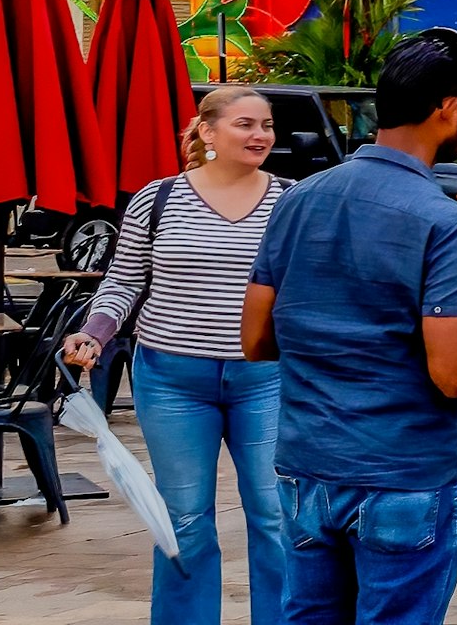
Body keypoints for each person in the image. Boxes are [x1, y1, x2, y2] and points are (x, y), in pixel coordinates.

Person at [244, 29, 457, 625]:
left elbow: (256, 340)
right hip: (402, 475)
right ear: (448, 107)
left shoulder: (298, 200)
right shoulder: (445, 221)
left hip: (307, 472)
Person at [65, 83, 291, 625]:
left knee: (277, 516)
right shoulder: (158, 197)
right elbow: (122, 284)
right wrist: (95, 332)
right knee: (184, 518)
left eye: (266, 125)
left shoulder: (291, 200)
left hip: (265, 378)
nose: (260, 135)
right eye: (246, 124)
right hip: (171, 380)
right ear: (208, 132)